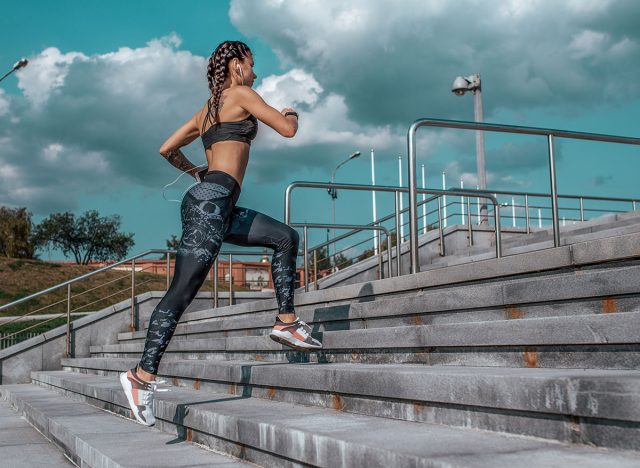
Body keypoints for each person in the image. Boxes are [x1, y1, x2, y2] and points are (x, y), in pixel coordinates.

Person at [120, 40, 322, 426]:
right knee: (182, 290)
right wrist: (291, 112)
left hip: (217, 201)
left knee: (285, 238)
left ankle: (286, 321)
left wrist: (196, 170)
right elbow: (287, 130)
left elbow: (166, 148)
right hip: (211, 202)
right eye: (251, 64)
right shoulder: (242, 94)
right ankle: (140, 376)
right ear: (236, 66)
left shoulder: (205, 112)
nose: (255, 72)